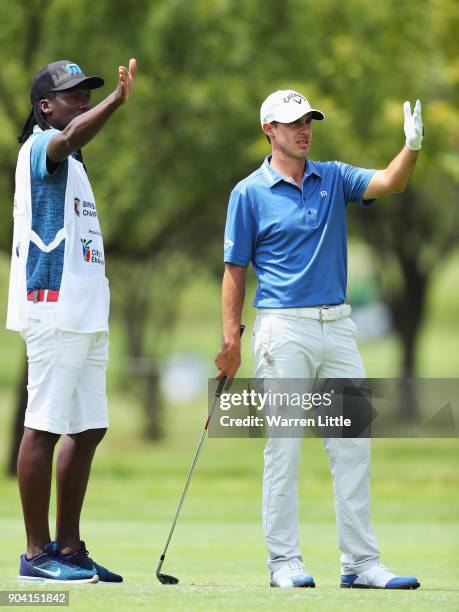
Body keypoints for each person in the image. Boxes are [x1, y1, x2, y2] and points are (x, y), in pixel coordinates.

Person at [215, 89, 423, 589]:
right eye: (292, 123)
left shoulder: (332, 177)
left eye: (308, 121)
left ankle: (360, 563)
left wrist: (412, 145)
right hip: (282, 331)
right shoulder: (249, 192)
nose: (304, 129)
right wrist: (231, 340)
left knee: (352, 447)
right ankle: (284, 562)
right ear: (269, 130)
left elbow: (391, 182)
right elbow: (234, 271)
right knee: (283, 449)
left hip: (339, 328)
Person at [7, 58, 136, 583]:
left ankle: (70, 548)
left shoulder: (76, 160)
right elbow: (70, 136)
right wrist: (116, 102)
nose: (83, 100)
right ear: (46, 107)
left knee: (88, 428)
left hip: (84, 310)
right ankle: (37, 555)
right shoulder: (42, 145)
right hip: (53, 305)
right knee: (42, 428)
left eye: (89, 92)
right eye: (74, 94)